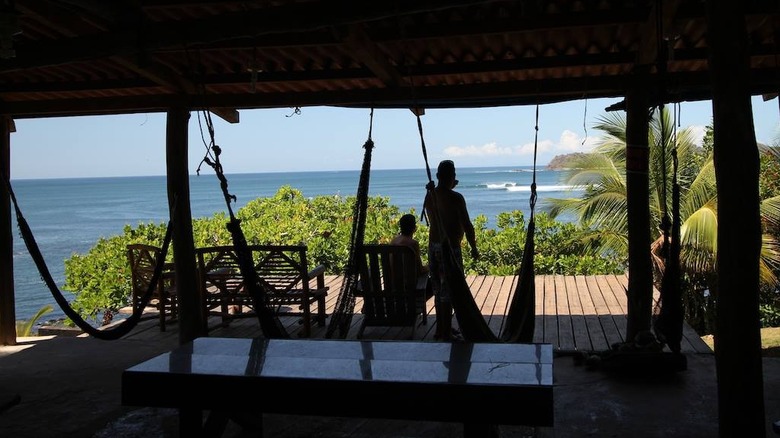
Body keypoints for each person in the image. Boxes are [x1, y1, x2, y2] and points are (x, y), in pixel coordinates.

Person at [423, 159, 479, 341]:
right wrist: (474, 247)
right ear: (453, 177)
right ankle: (446, 332)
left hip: (433, 248)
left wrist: (440, 187)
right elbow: (467, 225)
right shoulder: (456, 198)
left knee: (440, 291)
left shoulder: (430, 196)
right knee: (450, 291)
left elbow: (434, 213)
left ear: (438, 176)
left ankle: (442, 328)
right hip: (449, 250)